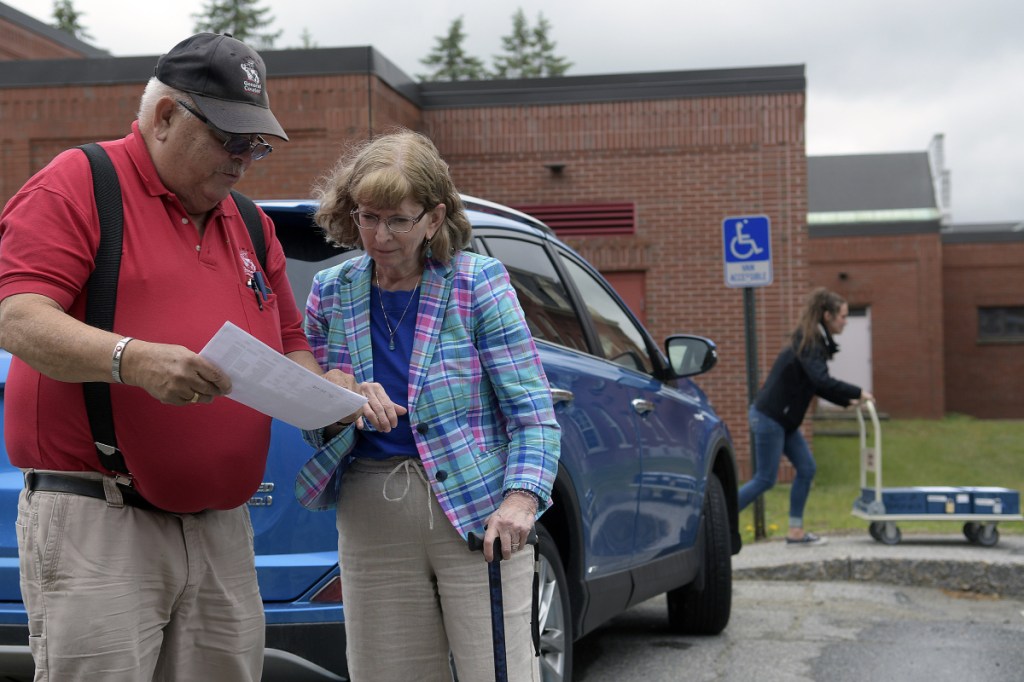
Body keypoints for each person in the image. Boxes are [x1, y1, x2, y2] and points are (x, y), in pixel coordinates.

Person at [0, 33, 368, 681]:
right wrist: (131, 359)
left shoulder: (251, 226)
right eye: (231, 139)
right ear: (165, 117)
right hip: (102, 521)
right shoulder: (82, 182)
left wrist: (329, 393)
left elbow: (289, 345)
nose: (244, 160)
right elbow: (18, 317)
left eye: (256, 144)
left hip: (222, 531)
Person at [294, 129, 561, 681]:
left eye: (399, 219)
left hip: (477, 508)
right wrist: (338, 399)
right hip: (372, 506)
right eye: (368, 216)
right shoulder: (331, 290)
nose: (380, 235)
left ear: (434, 219)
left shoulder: (478, 284)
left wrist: (521, 501)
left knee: (499, 671)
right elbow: (312, 422)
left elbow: (532, 414)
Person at [738, 287, 873, 546]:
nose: (845, 321)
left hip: (784, 420)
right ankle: (715, 522)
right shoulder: (810, 343)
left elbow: (817, 385)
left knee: (807, 468)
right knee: (765, 479)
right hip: (769, 417)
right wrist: (859, 391)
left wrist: (848, 401)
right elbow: (821, 380)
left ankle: (796, 532)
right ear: (827, 316)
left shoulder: (815, 341)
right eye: (843, 316)